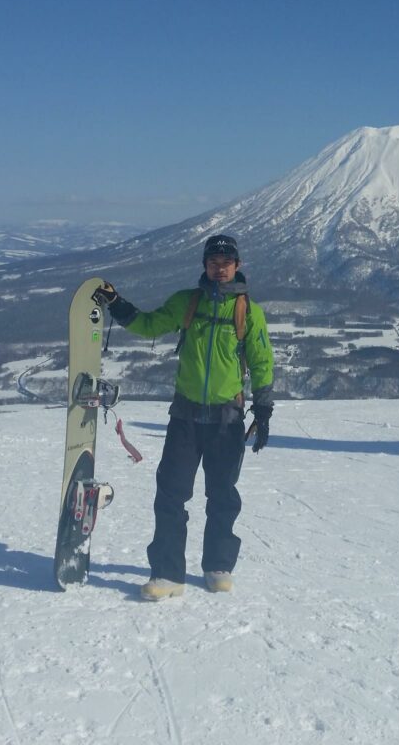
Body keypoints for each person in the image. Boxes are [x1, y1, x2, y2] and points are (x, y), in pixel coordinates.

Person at [92, 234, 274, 601]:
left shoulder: (248, 310)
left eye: (226, 262)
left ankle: (218, 566)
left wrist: (264, 409)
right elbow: (148, 325)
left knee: (222, 495)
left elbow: (261, 360)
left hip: (227, 419)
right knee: (171, 495)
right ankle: (167, 573)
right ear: (205, 265)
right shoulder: (186, 302)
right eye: (213, 262)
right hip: (185, 417)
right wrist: (117, 304)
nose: (219, 268)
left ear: (237, 266)